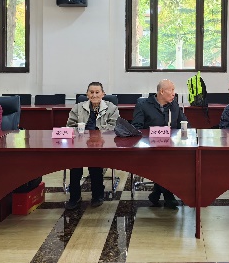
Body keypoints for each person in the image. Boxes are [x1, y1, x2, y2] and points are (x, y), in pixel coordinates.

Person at [132, 79, 187, 209]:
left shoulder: (174, 105)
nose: (174, 93)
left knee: (172, 161)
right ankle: (168, 195)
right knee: (164, 162)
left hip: (170, 148)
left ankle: (156, 193)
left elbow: (184, 124)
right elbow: (136, 127)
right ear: (161, 91)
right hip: (150, 148)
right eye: (171, 90)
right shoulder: (143, 105)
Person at [65, 82, 119, 210]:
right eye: (91, 92)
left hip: (101, 144)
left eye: (97, 92)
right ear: (87, 94)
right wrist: (81, 133)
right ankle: (74, 197)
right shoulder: (78, 107)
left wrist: (98, 133)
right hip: (80, 144)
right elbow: (70, 126)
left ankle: (98, 195)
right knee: (75, 166)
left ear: (103, 94)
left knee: (95, 165)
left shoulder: (111, 108)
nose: (94, 95)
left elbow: (114, 127)